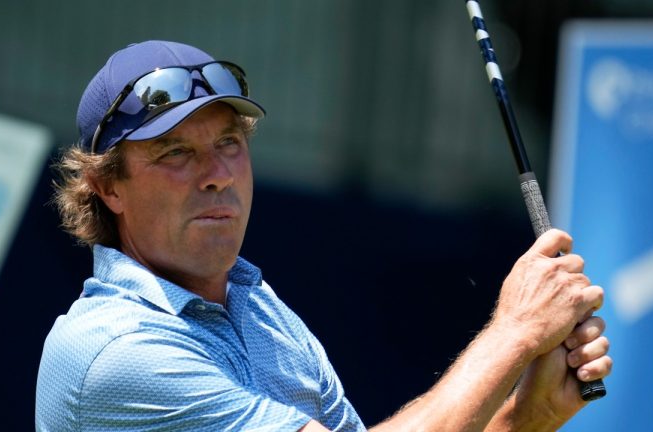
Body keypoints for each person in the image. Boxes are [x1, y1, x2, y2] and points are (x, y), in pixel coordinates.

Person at [35, 40, 612, 431]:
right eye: (176, 153)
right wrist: (514, 332)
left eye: (229, 144)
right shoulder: (114, 352)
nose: (216, 176)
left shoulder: (255, 303)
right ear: (108, 187)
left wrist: (522, 420)